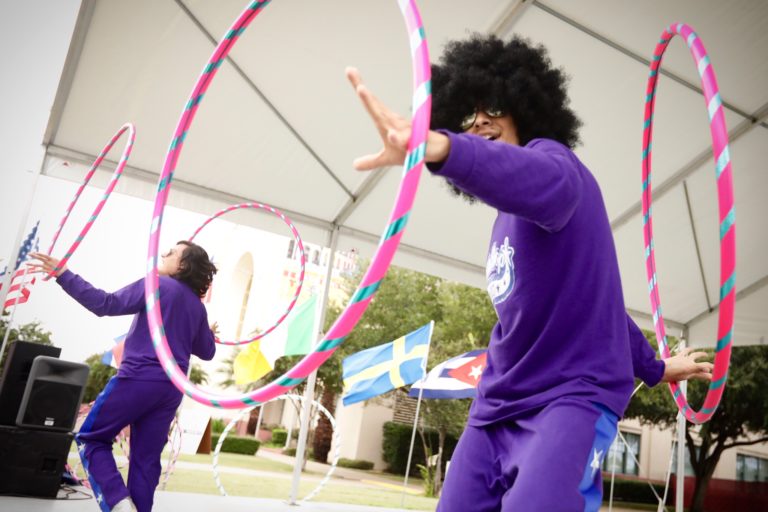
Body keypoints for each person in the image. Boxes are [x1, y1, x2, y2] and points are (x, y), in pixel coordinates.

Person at [346, 34, 714, 511]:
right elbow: (592, 303)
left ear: (525, 104)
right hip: (497, 402)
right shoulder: (503, 220)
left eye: (492, 106)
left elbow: (544, 184)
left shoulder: (560, 169)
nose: (479, 122)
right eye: (466, 117)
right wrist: (655, 367)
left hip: (570, 397)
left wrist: (443, 149)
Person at [29, 241, 217, 512]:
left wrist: (64, 274)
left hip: (139, 378)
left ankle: (117, 501)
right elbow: (206, 351)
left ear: (183, 265)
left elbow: (104, 304)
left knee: (91, 437)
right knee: (146, 460)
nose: (163, 254)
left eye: (172, 252)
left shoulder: (156, 286)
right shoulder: (197, 307)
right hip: (170, 390)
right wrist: (206, 330)